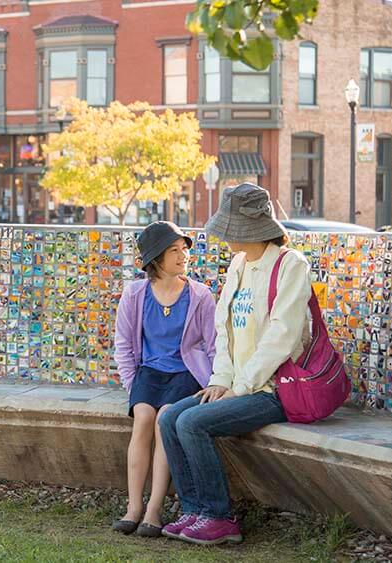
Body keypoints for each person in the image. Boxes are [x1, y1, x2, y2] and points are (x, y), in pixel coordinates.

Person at [158, 183, 313, 545]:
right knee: (169, 418)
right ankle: (195, 511)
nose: (225, 236)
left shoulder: (291, 266)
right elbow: (224, 330)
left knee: (194, 422)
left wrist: (239, 388)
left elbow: (282, 337)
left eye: (230, 228)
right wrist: (220, 381)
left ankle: (220, 517)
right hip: (236, 385)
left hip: (274, 389)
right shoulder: (239, 265)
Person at [112, 221, 217, 537]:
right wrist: (133, 387)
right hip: (150, 374)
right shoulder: (135, 294)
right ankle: (134, 507)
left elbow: (213, 345)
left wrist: (215, 382)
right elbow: (124, 344)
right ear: (156, 258)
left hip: (185, 374)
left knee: (163, 420)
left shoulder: (200, 295)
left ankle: (154, 511)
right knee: (143, 416)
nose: (182, 255)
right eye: (174, 250)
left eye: (184, 249)